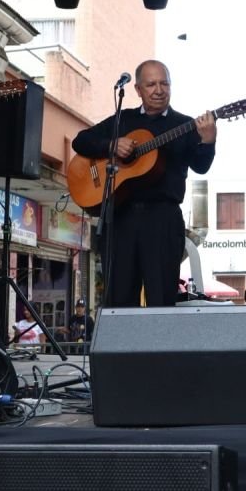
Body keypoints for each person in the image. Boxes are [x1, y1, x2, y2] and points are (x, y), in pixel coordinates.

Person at [72, 60, 216, 307]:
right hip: (121, 218)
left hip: (163, 218)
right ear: (138, 89)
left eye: (164, 83)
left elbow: (201, 166)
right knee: (118, 298)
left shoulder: (184, 125)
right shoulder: (123, 120)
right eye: (151, 84)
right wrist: (111, 145)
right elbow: (80, 141)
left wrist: (208, 142)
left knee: (161, 297)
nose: (159, 90)